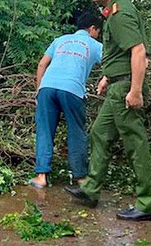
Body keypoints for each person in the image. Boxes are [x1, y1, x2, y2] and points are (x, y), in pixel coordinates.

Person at [64, 0, 151, 222]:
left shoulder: (120, 14)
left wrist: (135, 90)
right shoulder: (114, 11)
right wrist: (108, 76)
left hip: (126, 88)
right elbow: (121, 52)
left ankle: (147, 204)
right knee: (100, 132)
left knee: (135, 143)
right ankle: (91, 189)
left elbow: (138, 51)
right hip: (118, 84)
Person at [29, 12, 103, 189]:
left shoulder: (60, 40)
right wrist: (105, 79)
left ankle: (41, 177)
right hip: (72, 89)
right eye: (98, 31)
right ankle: (80, 178)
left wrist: (38, 91)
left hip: (47, 87)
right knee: (76, 131)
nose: (98, 35)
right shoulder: (95, 45)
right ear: (93, 29)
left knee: (44, 130)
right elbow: (111, 64)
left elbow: (42, 64)